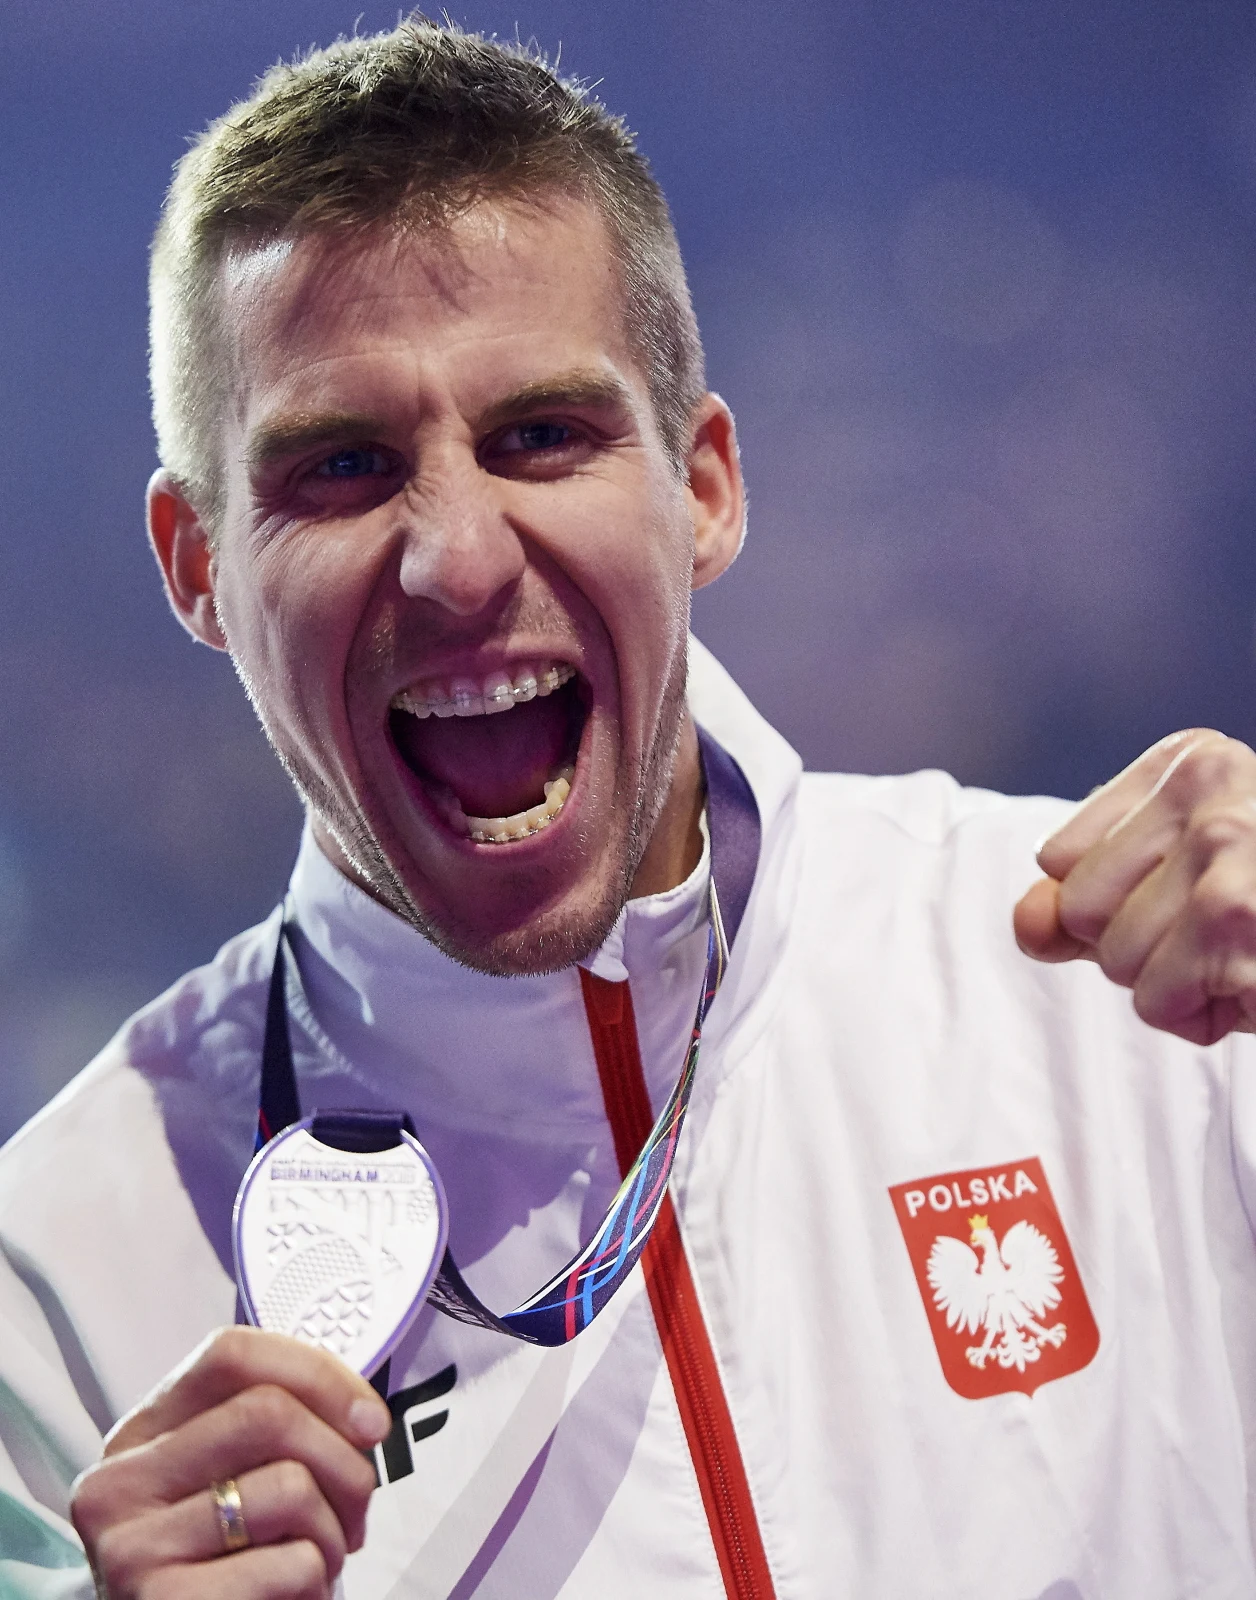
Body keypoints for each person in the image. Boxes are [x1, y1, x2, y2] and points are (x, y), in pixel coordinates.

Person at [4, 17, 1256, 1600]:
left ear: (707, 485)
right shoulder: (53, 1293)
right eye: (338, 465)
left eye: (541, 435)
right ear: (196, 567)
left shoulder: (1138, 1008)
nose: (456, 555)